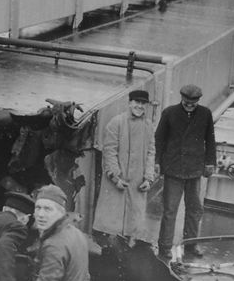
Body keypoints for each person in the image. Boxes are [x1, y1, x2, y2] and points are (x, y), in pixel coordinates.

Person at [154, 84, 216, 260]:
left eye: (193, 102)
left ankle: (190, 245)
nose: (190, 104)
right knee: (170, 210)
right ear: (182, 98)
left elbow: (210, 139)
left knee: (194, 209)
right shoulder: (169, 113)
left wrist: (210, 162)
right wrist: (156, 162)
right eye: (187, 101)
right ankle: (164, 247)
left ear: (198, 100)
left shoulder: (205, 114)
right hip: (174, 169)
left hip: (195, 170)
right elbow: (159, 140)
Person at [92, 89, 156, 245]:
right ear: (130, 103)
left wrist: (148, 178)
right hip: (116, 184)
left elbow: (151, 153)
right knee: (110, 227)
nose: (139, 106)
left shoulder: (148, 126)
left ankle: (127, 252)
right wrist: (115, 177)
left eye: (143, 103)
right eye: (137, 102)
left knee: (132, 228)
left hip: (137, 184)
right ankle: (106, 253)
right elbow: (109, 152)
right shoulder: (116, 122)